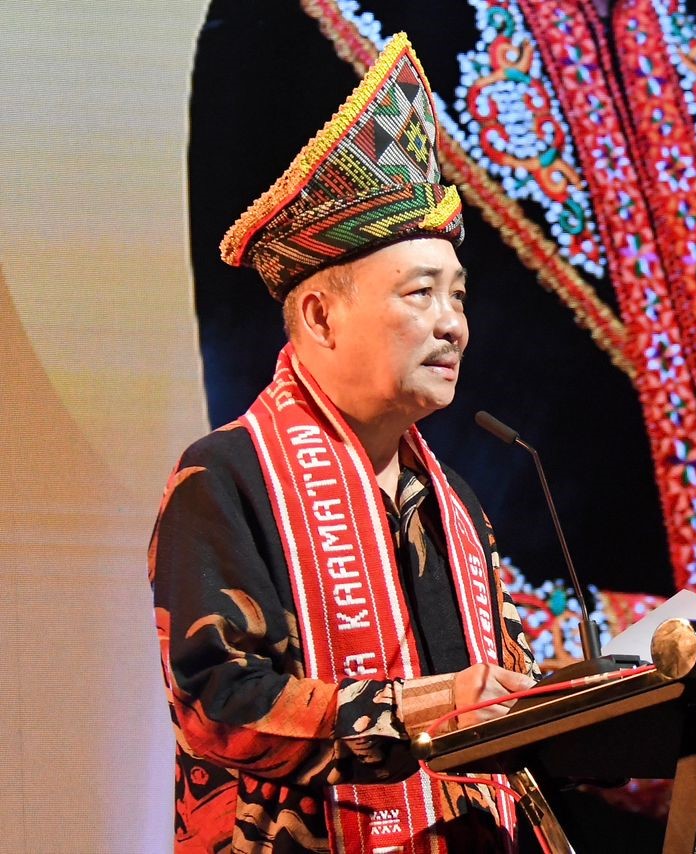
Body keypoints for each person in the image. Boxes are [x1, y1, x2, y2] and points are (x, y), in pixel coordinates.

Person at [150, 33, 536, 852]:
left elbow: (502, 697)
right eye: (421, 293)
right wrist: (424, 708)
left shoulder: (454, 504)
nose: (452, 325)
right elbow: (222, 708)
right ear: (321, 316)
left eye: (458, 296)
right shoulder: (226, 477)